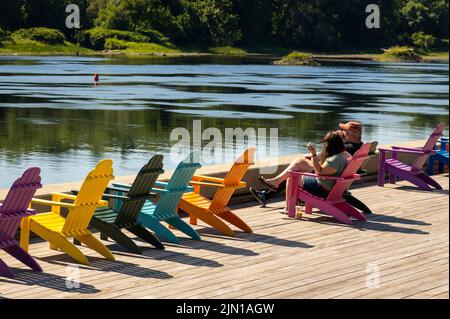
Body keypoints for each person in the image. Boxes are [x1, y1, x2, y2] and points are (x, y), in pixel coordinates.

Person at [251, 121, 364, 207]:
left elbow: (329, 157)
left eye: (344, 130)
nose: (342, 132)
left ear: (352, 133)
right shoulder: (359, 147)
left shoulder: (348, 147)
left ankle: (270, 191)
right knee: (297, 167)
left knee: (297, 166)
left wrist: (316, 155)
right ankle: (268, 192)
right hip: (335, 178)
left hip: (327, 178)